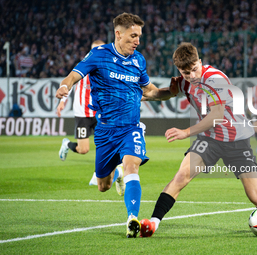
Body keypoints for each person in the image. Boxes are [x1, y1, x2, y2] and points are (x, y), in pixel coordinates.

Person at [140, 42, 257, 237]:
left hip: (237, 140)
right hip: (210, 139)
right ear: (179, 70)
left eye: (195, 69)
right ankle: (153, 224)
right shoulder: (184, 80)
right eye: (186, 73)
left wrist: (186, 132)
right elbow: (167, 93)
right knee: (181, 176)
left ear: (200, 62)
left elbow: (216, 116)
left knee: (256, 198)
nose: (192, 76)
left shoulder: (215, 79)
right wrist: (140, 96)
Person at [55, 13, 176, 238]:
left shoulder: (138, 60)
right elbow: (72, 76)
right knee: (103, 185)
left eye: (139, 36)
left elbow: (150, 91)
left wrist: (173, 91)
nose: (137, 40)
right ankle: (115, 175)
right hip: (104, 132)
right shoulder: (99, 55)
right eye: (133, 36)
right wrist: (65, 87)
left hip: (131, 128)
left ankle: (132, 218)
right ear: (118, 34)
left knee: (132, 166)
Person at [57, 40, 110, 187]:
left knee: (105, 144)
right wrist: (62, 102)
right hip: (82, 113)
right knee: (83, 149)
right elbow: (70, 82)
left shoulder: (106, 68)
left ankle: (97, 175)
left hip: (100, 113)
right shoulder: (83, 67)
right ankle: (67, 144)